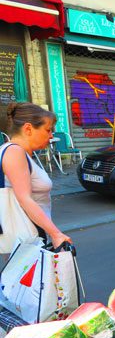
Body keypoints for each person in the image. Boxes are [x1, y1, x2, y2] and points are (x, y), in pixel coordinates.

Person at [1, 102, 71, 248]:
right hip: (27, 238)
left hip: (26, 236)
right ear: (28, 128)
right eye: (48, 130)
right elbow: (24, 198)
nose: (51, 136)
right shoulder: (15, 152)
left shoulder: (13, 151)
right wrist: (56, 233)